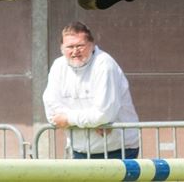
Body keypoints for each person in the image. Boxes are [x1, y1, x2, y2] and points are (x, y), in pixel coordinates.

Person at [43, 22, 140, 159]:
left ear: (92, 44)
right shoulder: (58, 66)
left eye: (80, 46)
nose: (75, 51)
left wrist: (69, 119)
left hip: (118, 149)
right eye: (70, 47)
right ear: (62, 48)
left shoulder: (105, 65)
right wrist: (91, 122)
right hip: (79, 150)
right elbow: (53, 114)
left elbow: (104, 115)